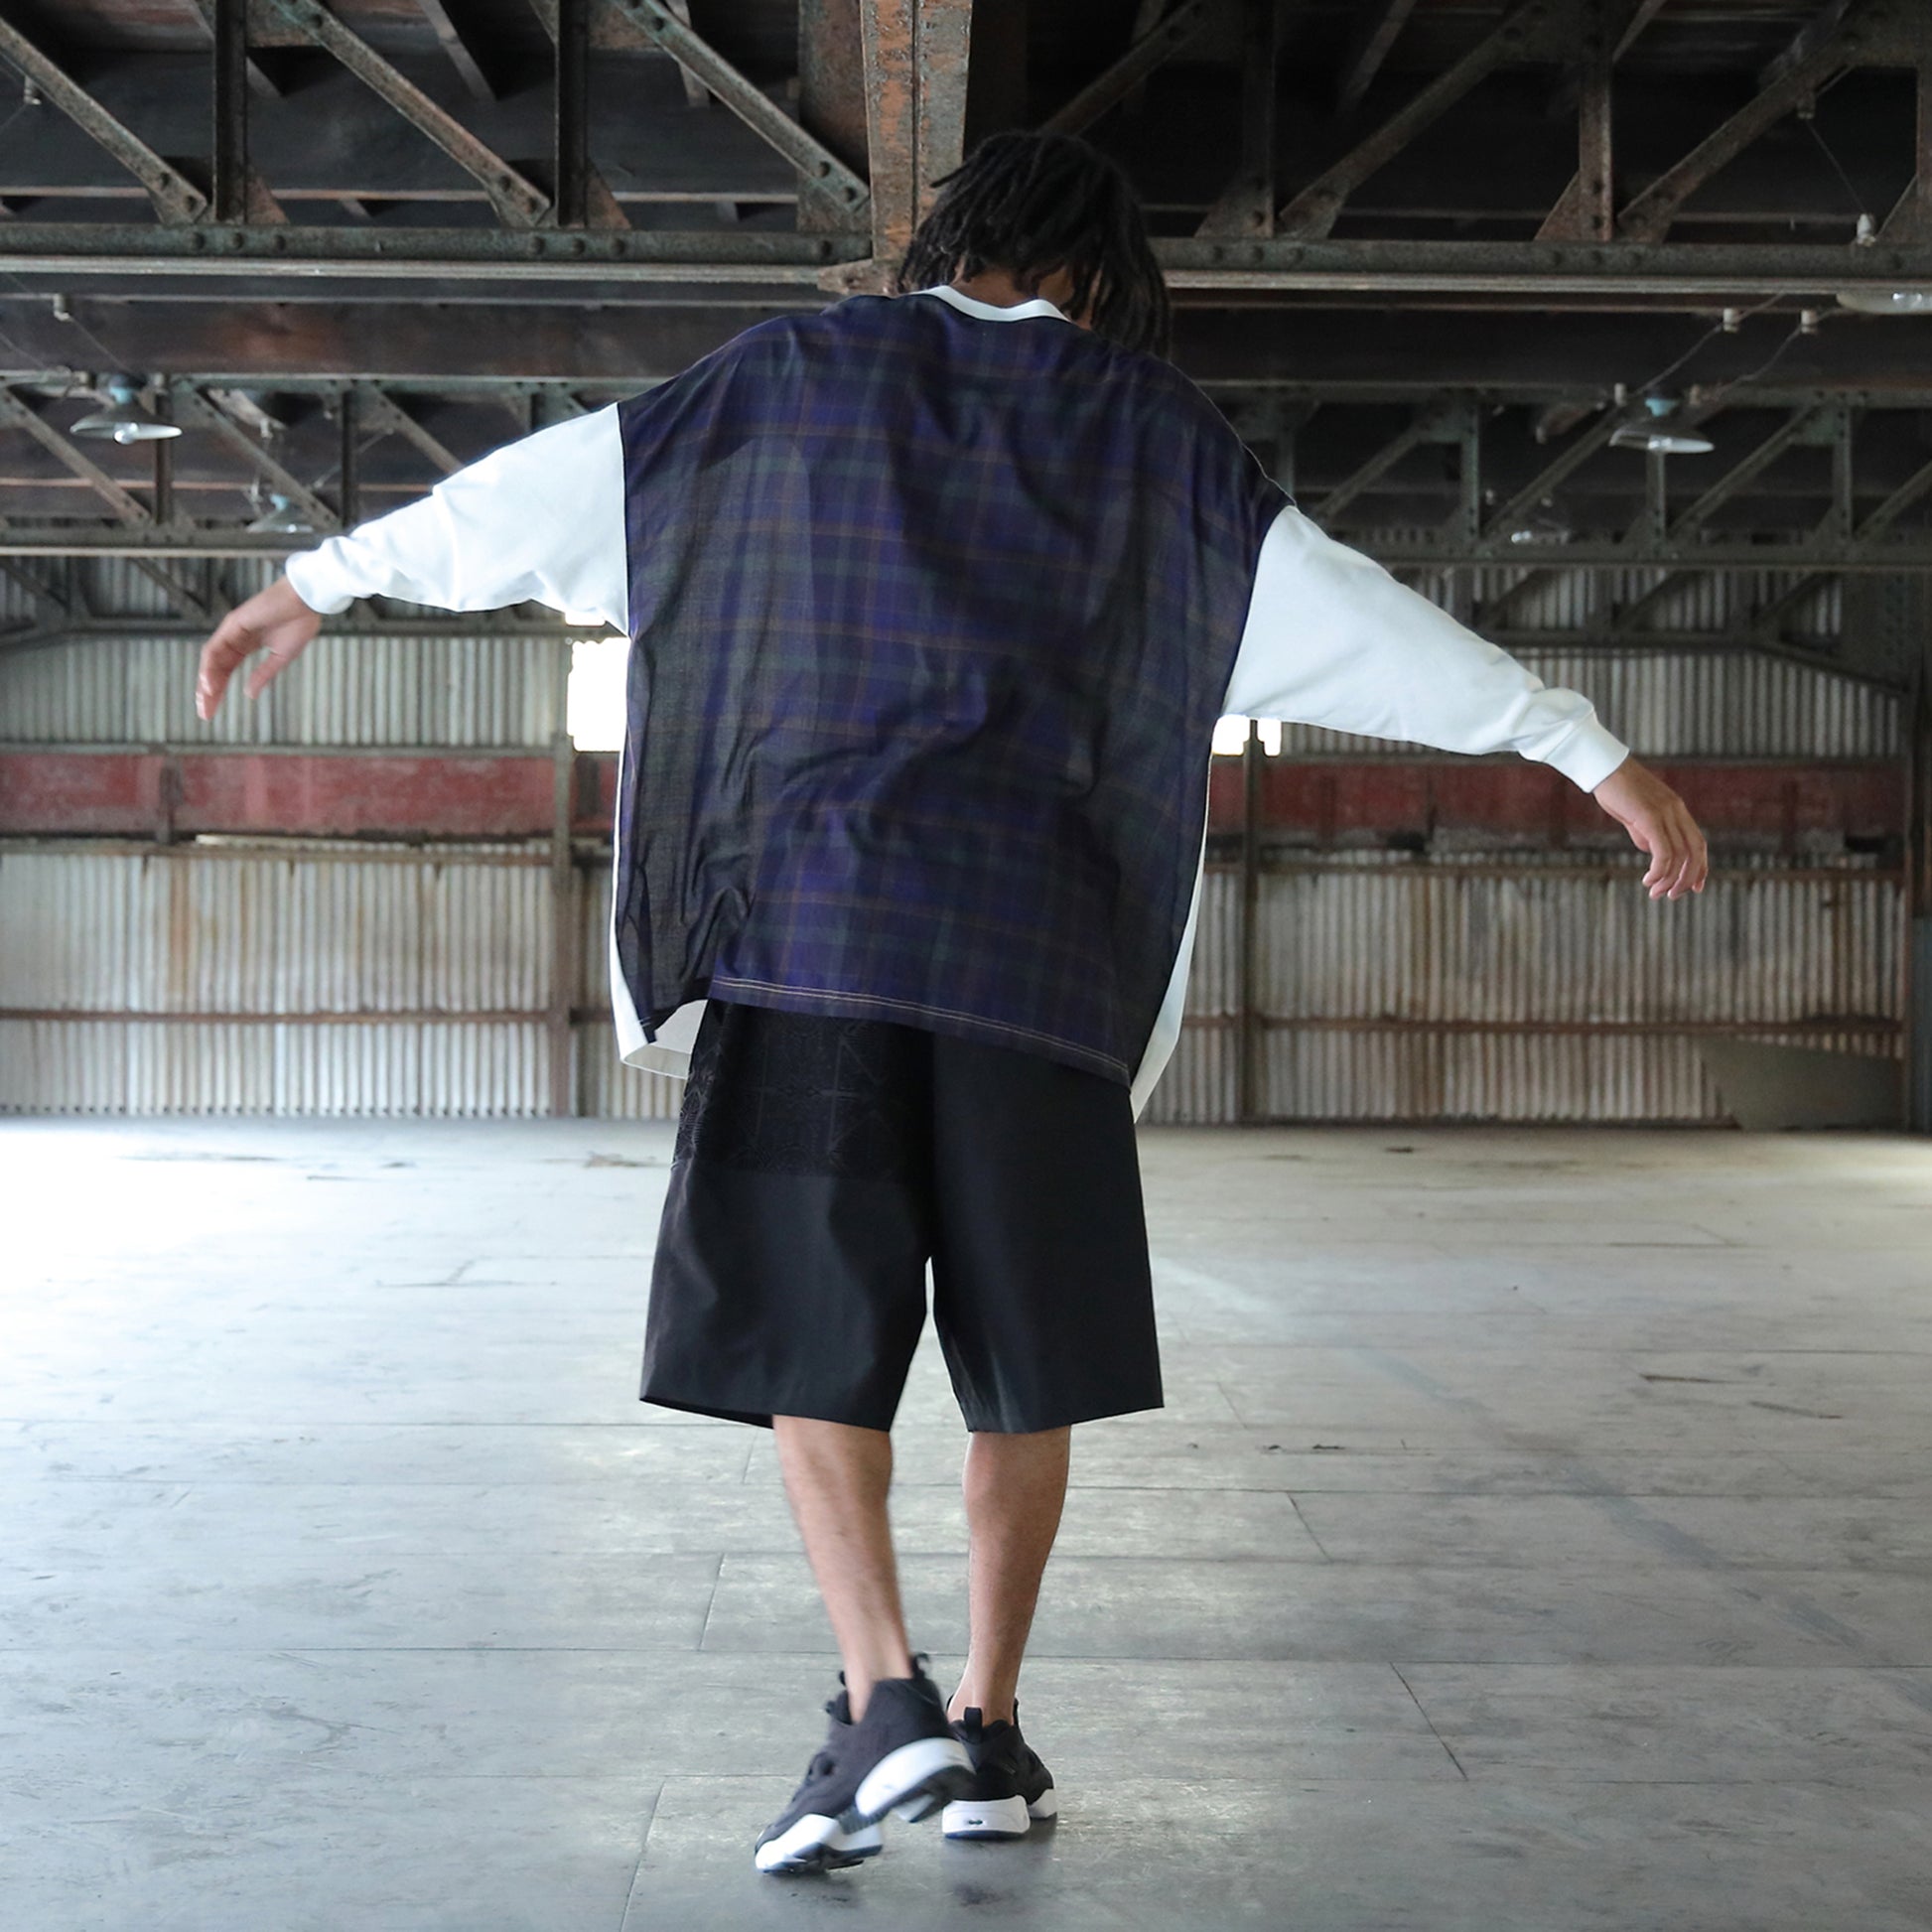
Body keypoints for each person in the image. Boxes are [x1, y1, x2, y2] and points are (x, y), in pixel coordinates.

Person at [195, 130, 1709, 1878]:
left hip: (808, 945)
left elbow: (538, 496)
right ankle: (983, 1725)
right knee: (1020, 1362)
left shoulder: (785, 379)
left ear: (952, 242)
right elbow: (1363, 624)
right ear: (1097, 275)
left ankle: (881, 1698)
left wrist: (320, 578)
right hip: (1036, 970)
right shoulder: (1155, 435)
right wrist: (1584, 748)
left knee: (808, 1343)